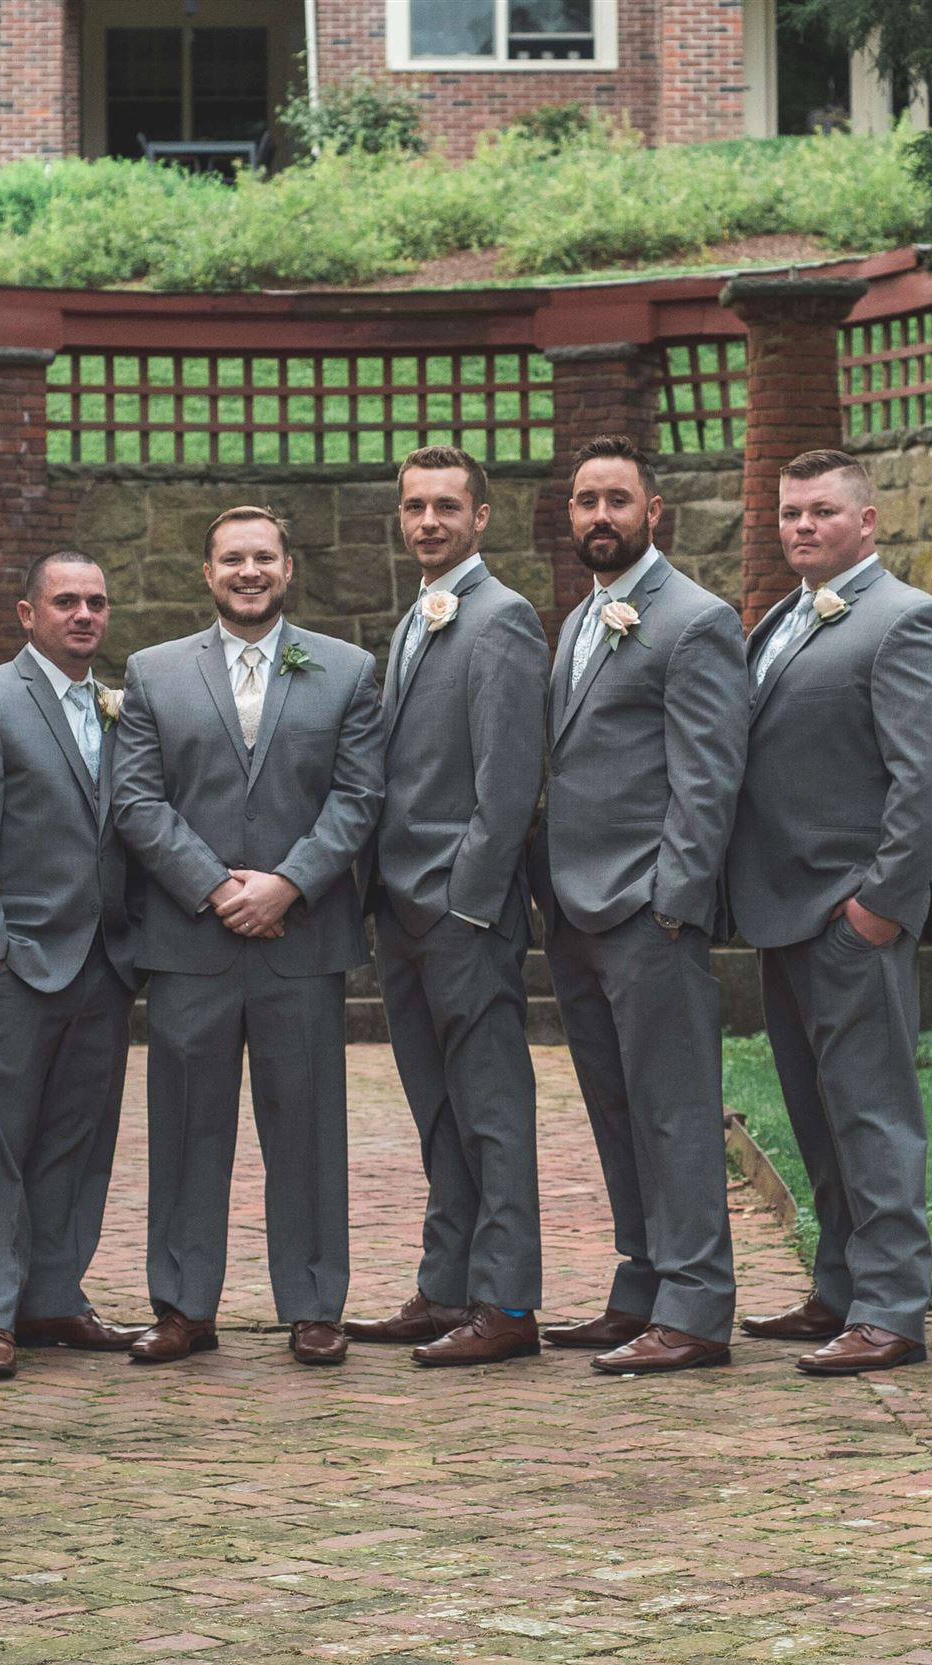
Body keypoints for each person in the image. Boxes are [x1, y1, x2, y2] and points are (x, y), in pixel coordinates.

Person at [108, 506, 386, 1367]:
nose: (249, 571)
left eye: (264, 556)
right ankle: (184, 1305)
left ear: (289, 567)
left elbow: (358, 798)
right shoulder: (153, 674)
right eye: (233, 558)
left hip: (300, 941)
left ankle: (313, 1303)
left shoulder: (347, 671)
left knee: (306, 1128)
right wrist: (214, 885)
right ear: (208, 572)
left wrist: (288, 883)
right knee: (188, 1127)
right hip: (192, 939)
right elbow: (137, 801)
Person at [730, 449, 932, 1376]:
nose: (801, 527)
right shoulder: (782, 619)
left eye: (821, 512)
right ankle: (838, 1285)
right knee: (816, 1115)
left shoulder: (906, 621)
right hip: (782, 912)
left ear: (868, 522)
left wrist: (878, 907)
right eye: (790, 513)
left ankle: (894, 1307)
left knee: (873, 1114)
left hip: (849, 916)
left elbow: (927, 777)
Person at [534, 434, 751, 1375]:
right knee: (617, 1110)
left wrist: (673, 904)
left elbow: (710, 780)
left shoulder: (694, 620)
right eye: (585, 500)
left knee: (674, 1111)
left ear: (653, 510)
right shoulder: (582, 619)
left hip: (646, 914)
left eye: (617, 500)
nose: (599, 516)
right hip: (576, 914)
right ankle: (643, 1286)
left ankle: (697, 1308)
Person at [346, 446, 551, 1366]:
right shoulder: (417, 619)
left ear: (482, 519)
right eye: (415, 507)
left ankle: (505, 1304)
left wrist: (464, 905)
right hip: (402, 909)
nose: (428, 521)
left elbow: (508, 785)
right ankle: (445, 1285)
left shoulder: (502, 619)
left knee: (492, 1110)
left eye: (446, 507)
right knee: (437, 1108)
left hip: (460, 913)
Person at [0, 552, 146, 1380]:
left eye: (96, 600)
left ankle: (52, 1295)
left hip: (103, 961)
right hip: (15, 962)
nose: (84, 614)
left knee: (78, 1141)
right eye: (65, 601)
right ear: (28, 613)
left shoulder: (122, 710)